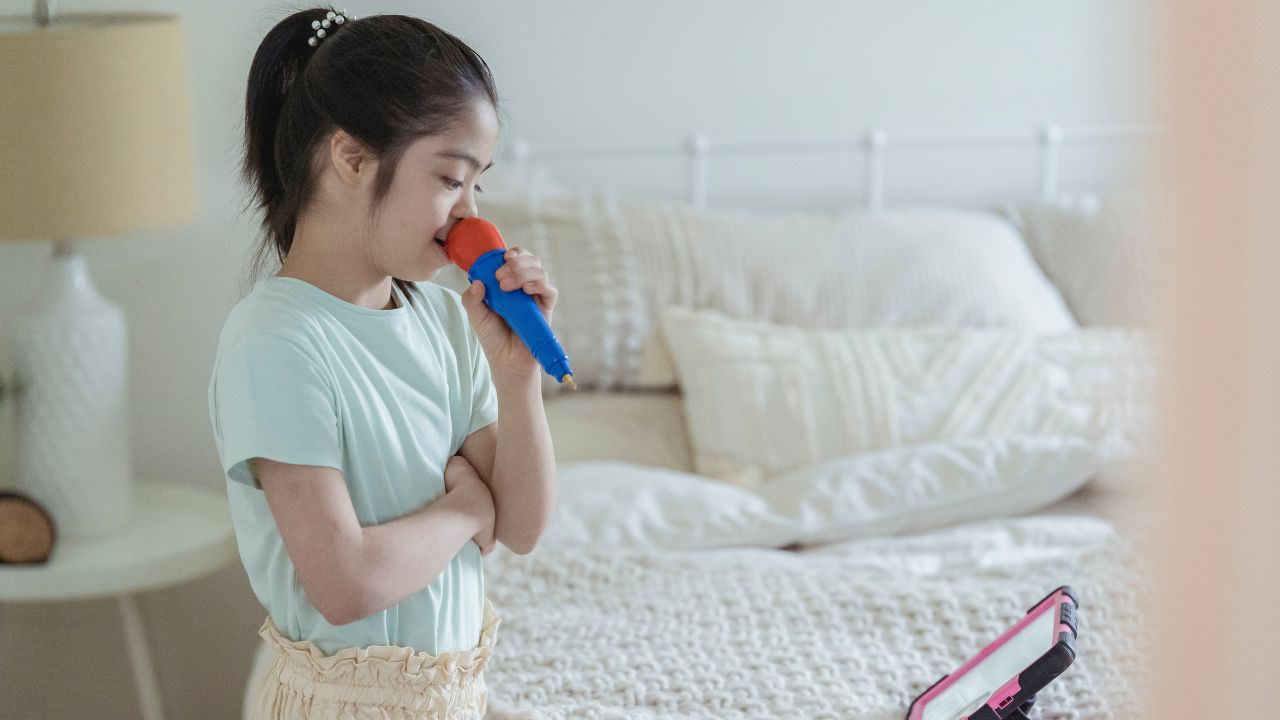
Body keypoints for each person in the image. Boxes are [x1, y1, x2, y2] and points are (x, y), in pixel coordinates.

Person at [206, 8, 556, 718]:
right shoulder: (275, 343)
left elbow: (520, 526)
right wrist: (464, 510)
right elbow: (344, 583)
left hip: (451, 697)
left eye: (477, 185)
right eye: (451, 178)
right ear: (352, 159)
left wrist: (518, 379)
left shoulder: (440, 322)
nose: (469, 215)